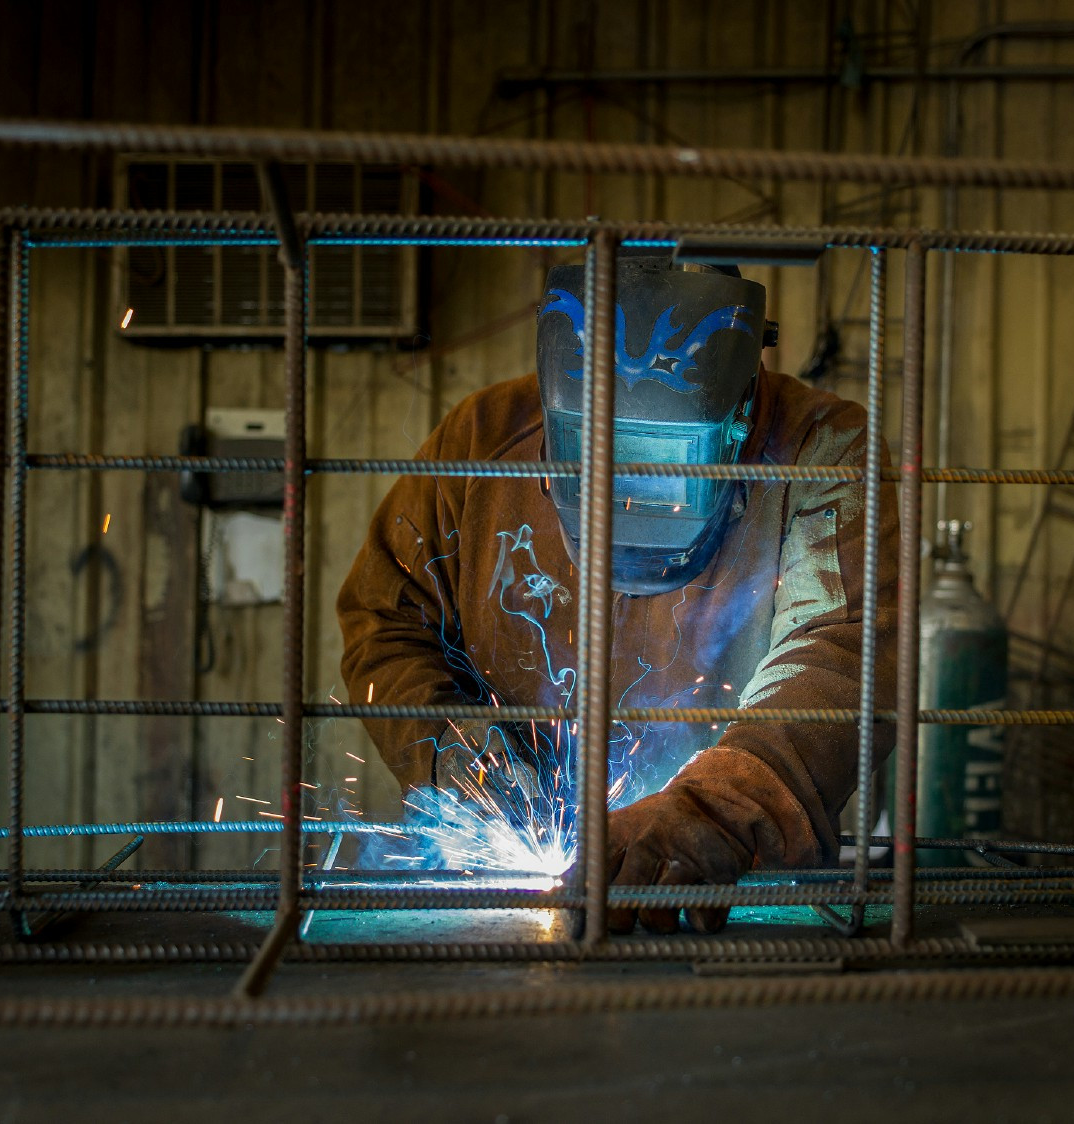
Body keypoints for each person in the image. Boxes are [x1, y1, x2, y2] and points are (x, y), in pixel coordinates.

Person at [337, 252, 898, 934]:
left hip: (733, 886)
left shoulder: (823, 448)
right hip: (515, 870)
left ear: (742, 414)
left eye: (666, 463)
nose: (630, 494)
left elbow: (839, 645)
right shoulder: (479, 440)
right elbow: (387, 620)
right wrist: (457, 756)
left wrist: (715, 810)